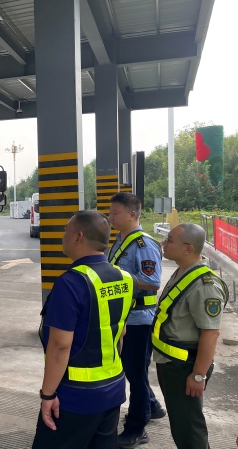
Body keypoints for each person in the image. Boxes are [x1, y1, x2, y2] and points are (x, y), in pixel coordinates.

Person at [32, 211, 135, 449]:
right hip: (113, 389)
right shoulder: (126, 279)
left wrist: (48, 394)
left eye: (66, 232)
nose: (63, 237)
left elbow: (60, 346)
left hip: (75, 397)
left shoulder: (71, 283)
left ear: (78, 237)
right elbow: (120, 333)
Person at [153, 223, 228, 449]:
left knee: (189, 430)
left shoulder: (204, 285)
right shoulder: (183, 272)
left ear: (188, 248)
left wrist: (198, 375)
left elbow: (211, 333)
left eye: (170, 240)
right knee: (181, 424)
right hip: (171, 363)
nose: (164, 244)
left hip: (185, 367)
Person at [108, 192, 166, 448]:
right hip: (124, 317)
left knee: (136, 374)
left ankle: (136, 428)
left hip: (138, 320)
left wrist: (119, 279)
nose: (110, 217)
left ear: (132, 214)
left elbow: (153, 283)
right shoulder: (120, 240)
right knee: (133, 370)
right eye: (110, 212)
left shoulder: (143, 245)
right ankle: (152, 406)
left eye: (115, 213)